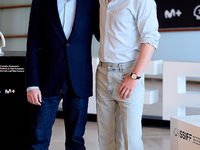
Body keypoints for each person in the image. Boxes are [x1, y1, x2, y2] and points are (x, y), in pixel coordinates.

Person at [25, 0, 99, 149]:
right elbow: (32, 42)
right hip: (46, 80)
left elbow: (104, 34)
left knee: (76, 141)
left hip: (79, 80)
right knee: (38, 140)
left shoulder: (91, 3)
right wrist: (31, 84)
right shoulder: (41, 2)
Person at [96, 0, 160, 150]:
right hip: (103, 72)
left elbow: (151, 40)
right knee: (106, 140)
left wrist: (134, 76)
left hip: (128, 73)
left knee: (132, 141)